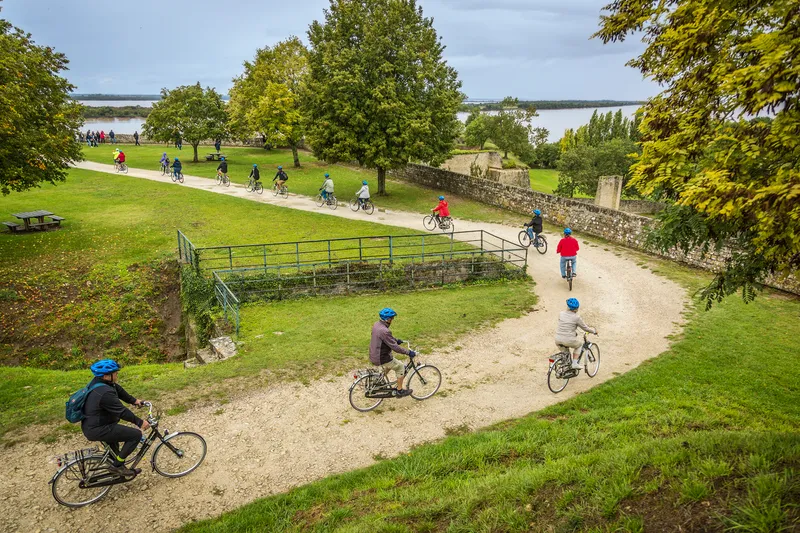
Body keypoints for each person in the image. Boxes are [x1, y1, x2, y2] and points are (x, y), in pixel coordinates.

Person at [81, 359, 150, 477]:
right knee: (135, 435)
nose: (117, 374)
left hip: (95, 424)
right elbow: (121, 411)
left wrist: (135, 401)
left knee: (115, 450)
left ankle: (115, 470)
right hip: (98, 428)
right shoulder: (104, 393)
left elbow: (119, 391)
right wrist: (139, 422)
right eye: (115, 373)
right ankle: (117, 467)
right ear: (107, 376)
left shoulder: (100, 383)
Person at [369, 308, 414, 397]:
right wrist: (408, 352)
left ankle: (379, 381)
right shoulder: (385, 331)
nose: (392, 320)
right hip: (381, 358)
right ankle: (399, 391)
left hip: (373, 354)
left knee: (391, 363)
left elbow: (386, 338)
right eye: (392, 318)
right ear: (387, 319)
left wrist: (396, 340)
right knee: (400, 367)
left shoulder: (377, 325)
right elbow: (395, 348)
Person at [554, 298, 597, 370]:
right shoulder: (576, 317)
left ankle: (565, 369)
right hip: (568, 340)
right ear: (577, 308)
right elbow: (585, 328)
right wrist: (594, 331)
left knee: (566, 354)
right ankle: (574, 363)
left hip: (558, 339)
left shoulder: (561, 314)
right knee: (579, 345)